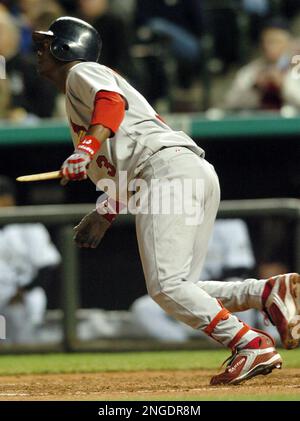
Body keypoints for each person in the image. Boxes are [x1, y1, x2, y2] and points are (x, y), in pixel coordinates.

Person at [32, 16, 300, 385]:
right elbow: (124, 164)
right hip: (183, 169)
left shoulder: (81, 72)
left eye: (47, 44)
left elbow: (111, 104)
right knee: (181, 286)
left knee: (167, 287)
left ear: (66, 48)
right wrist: (104, 212)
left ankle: (249, 343)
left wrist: (85, 149)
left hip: (167, 171)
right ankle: (267, 291)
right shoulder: (76, 99)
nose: (40, 51)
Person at [0, 176, 61, 344]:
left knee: (25, 342)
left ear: (7, 199)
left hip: (24, 297)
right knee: (3, 342)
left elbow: (47, 266)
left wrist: (23, 291)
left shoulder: (29, 226)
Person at [225, 18, 300, 111]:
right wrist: (255, 86)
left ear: (288, 43)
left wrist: (283, 84)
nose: (269, 46)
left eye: (275, 41)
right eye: (266, 42)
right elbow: (231, 103)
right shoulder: (251, 70)